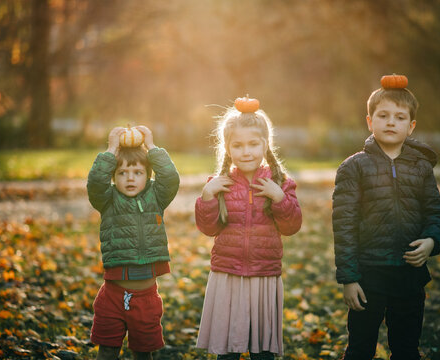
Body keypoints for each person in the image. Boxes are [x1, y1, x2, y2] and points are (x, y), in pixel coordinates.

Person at [332, 77, 440, 360]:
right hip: (369, 273)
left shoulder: (421, 167)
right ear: (370, 121)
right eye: (383, 116)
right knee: (360, 348)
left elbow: (436, 213)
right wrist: (349, 278)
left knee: (407, 348)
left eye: (399, 117)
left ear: (411, 127)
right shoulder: (354, 167)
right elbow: (343, 225)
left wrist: (432, 241)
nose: (391, 122)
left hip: (410, 275)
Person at [195, 99, 302, 360]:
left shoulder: (279, 183)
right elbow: (208, 228)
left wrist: (279, 199)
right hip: (228, 275)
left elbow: (292, 226)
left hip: (263, 275)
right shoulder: (221, 184)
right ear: (228, 148)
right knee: (229, 350)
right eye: (238, 145)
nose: (246, 151)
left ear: (265, 145)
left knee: (262, 351)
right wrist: (207, 198)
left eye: (253, 144)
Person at [87, 126, 180, 360]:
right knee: (107, 351)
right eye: (122, 173)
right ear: (113, 177)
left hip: (146, 297)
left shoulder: (155, 197)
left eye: (137, 172)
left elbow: (170, 179)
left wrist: (152, 147)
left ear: (148, 175)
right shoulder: (108, 200)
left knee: (142, 352)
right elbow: (95, 183)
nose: (130, 178)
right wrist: (110, 150)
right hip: (112, 296)